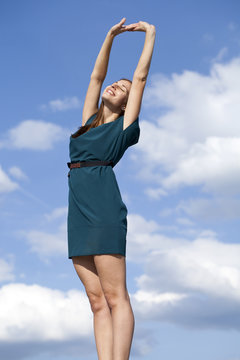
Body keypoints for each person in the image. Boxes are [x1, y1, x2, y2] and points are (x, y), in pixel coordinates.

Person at [67, 17, 156, 360]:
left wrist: (150, 33)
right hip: (78, 211)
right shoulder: (88, 121)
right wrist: (110, 37)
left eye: (123, 89)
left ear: (126, 105)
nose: (116, 87)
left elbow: (141, 77)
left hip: (104, 209)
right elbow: (95, 77)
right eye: (115, 84)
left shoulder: (124, 128)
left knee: (116, 295)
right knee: (95, 300)